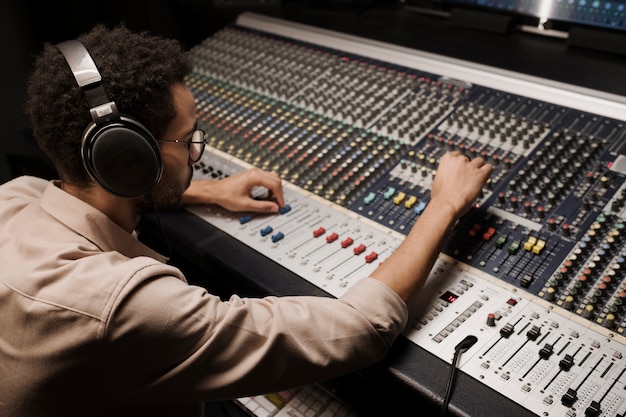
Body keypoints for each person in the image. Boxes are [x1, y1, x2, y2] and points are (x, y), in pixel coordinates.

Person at [0, 24, 492, 417]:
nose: (195, 151)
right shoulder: (124, 307)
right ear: (127, 162)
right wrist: (443, 205)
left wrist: (205, 189)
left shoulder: (15, 197)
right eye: (186, 138)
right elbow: (361, 328)